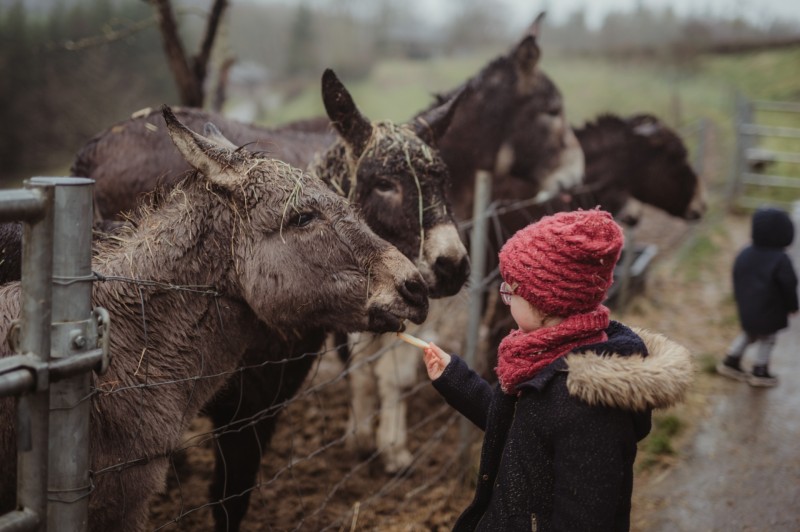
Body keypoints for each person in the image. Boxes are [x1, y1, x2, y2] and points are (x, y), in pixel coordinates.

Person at [422, 209, 693, 531]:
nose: (506, 299)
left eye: (511, 290)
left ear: (545, 302)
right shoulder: (548, 359)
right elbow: (519, 426)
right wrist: (455, 378)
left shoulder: (588, 405)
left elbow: (586, 519)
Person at [717, 206, 798, 387]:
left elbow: (737, 275)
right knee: (767, 338)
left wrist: (741, 298)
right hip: (771, 309)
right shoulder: (781, 259)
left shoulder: (745, 253)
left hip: (748, 305)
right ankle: (760, 370)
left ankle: (731, 360)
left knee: (749, 333)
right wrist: (793, 305)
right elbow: (789, 284)